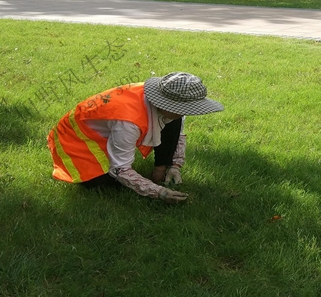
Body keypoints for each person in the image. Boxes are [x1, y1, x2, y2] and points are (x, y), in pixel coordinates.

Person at [48, 72, 223, 203]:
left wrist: (174, 165)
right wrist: (157, 192)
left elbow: (178, 131)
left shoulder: (169, 100)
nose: (186, 113)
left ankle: (161, 168)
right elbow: (121, 169)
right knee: (103, 184)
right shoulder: (129, 122)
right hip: (75, 138)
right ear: (168, 105)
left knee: (172, 123)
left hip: (110, 129)